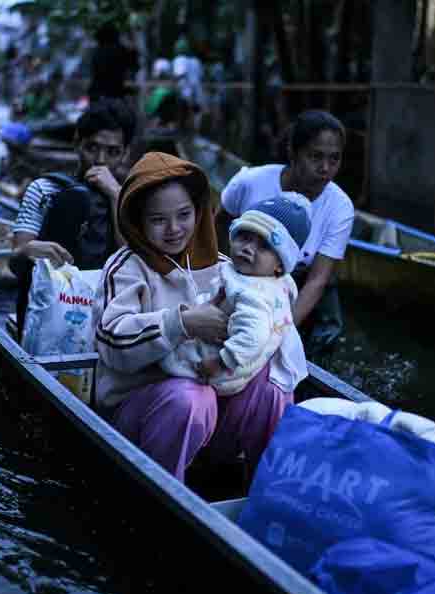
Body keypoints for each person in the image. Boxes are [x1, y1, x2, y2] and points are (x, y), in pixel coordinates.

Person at [93, 151, 295, 483]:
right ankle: (164, 493)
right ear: (138, 221)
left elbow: (261, 319)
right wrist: (182, 323)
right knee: (190, 397)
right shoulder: (126, 267)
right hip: (143, 411)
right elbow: (111, 341)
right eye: (158, 220)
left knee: (272, 383)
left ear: (200, 212)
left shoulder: (222, 265)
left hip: (212, 402)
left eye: (184, 214)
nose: (173, 229)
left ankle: (265, 485)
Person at [217, 109, 355, 352]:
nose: (325, 168)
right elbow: (216, 226)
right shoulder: (250, 182)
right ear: (293, 152)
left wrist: (278, 333)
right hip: (244, 269)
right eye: (315, 157)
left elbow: (318, 280)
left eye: (334, 159)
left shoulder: (340, 207)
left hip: (300, 280)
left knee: (320, 342)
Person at [160, 192, 310, 397]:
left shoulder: (249, 291)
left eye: (264, 246)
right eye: (244, 238)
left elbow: (253, 336)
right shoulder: (280, 284)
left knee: (166, 356)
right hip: (242, 367)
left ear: (280, 264)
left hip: (217, 367)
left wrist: (219, 362)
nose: (248, 249)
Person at [9, 97, 136, 338]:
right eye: (92, 147)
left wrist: (116, 196)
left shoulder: (132, 198)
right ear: (76, 143)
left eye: (113, 152)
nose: (100, 160)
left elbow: (132, 262)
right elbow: (15, 263)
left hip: (108, 315)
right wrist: (28, 251)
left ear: (126, 154)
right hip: (48, 313)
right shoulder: (44, 189)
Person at [88, 22, 137, 102]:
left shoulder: (97, 52)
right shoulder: (119, 50)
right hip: (113, 94)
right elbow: (134, 66)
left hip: (98, 93)